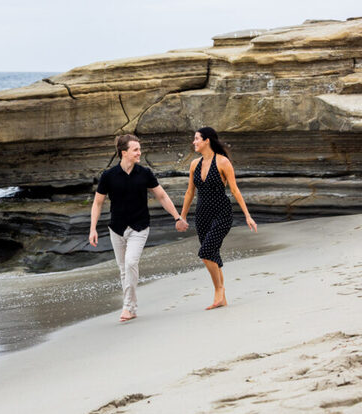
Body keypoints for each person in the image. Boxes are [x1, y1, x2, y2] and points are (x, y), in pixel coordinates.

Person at [89, 134, 189, 322]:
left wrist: (177, 217)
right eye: (135, 150)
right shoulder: (108, 176)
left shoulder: (145, 173)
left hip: (139, 227)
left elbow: (162, 196)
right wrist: (92, 228)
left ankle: (127, 307)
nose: (139, 153)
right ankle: (132, 307)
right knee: (123, 269)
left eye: (139, 149)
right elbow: (97, 203)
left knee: (130, 263)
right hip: (116, 228)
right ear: (124, 152)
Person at [178, 127, 257, 310]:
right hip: (202, 215)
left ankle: (219, 290)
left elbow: (235, 190)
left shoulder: (222, 162)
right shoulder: (194, 164)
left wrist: (247, 215)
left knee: (205, 252)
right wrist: (182, 216)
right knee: (212, 253)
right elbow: (190, 192)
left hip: (222, 213)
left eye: (197, 139)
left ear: (207, 140)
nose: (194, 142)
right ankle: (222, 298)